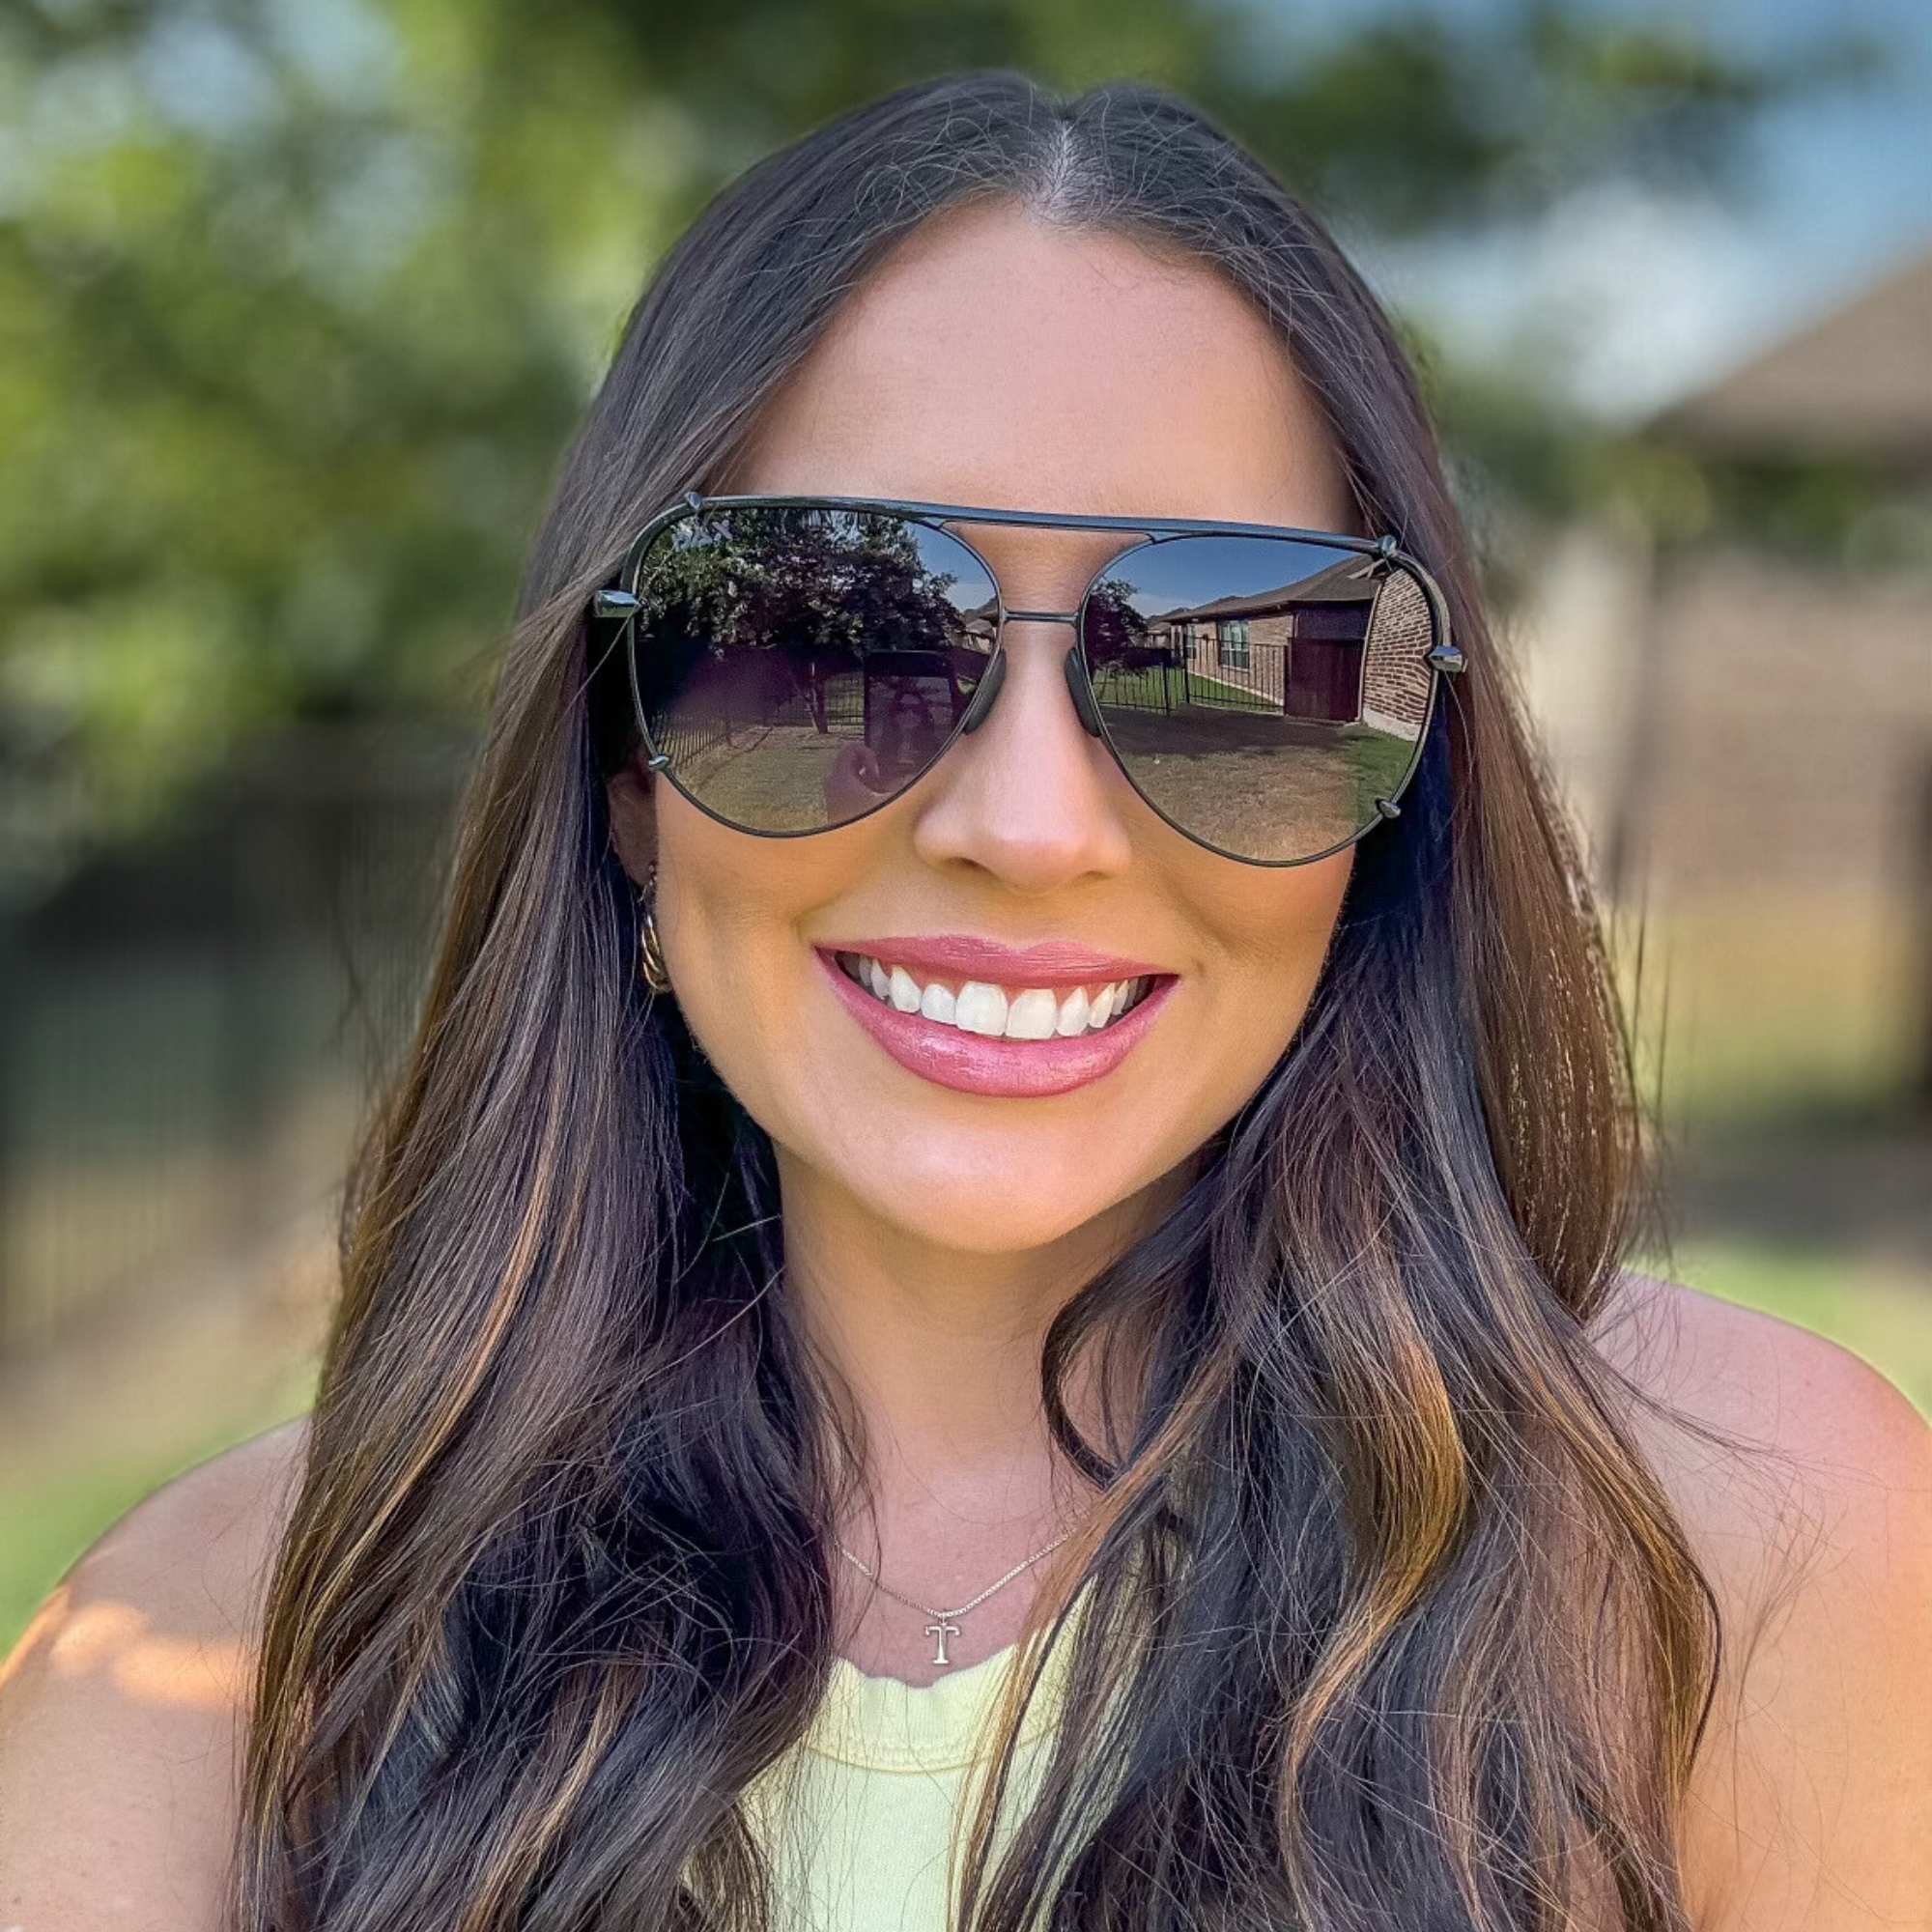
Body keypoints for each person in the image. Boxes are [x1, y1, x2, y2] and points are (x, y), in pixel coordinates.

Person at [3, 72, 1928, 1932]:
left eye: (1225, 658)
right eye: (823, 636)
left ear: (1398, 783)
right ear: (622, 778)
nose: (1028, 826)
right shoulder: (209, 1663)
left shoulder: (1743, 1549)